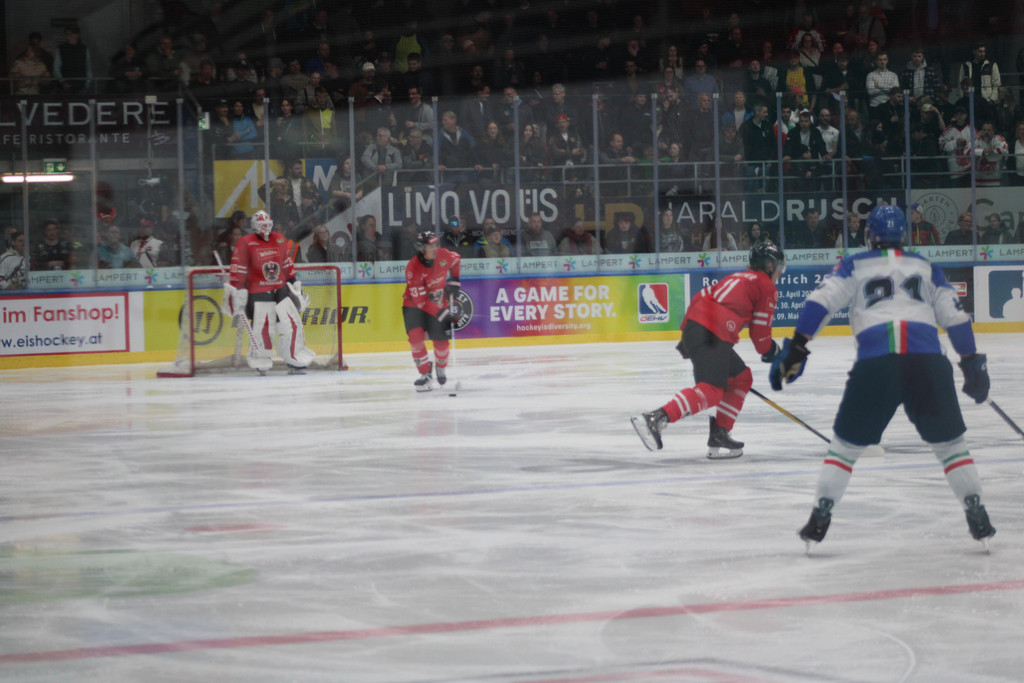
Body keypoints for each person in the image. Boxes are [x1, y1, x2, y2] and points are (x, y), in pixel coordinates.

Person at [769, 205, 995, 550]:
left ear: (869, 235)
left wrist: (798, 347)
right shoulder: (926, 267)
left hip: (876, 364)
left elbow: (819, 303)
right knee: (951, 447)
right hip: (928, 363)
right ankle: (976, 509)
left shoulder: (855, 264)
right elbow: (956, 319)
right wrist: (971, 362)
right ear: (903, 234)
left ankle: (821, 513)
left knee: (845, 449)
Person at [632, 241, 785, 458]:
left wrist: (688, 334)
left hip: (699, 328)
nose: (780, 271)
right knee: (712, 390)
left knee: (741, 378)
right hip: (713, 332)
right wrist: (773, 352)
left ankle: (720, 433)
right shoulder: (766, 286)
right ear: (769, 265)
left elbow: (700, 297)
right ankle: (656, 418)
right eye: (779, 266)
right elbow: (760, 336)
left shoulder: (738, 277)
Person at [223, 210, 315, 372]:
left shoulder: (278, 239)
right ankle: (261, 357)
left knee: (293, 323)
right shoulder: (245, 242)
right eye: (262, 225)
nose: (265, 228)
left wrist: (294, 282)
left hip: (280, 289)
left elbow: (286, 263)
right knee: (264, 327)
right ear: (254, 226)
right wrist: (237, 289)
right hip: (258, 292)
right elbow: (239, 268)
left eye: (267, 224)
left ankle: (294, 355)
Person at [402, 231, 461, 391]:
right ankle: (425, 374)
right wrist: (443, 314)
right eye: (430, 246)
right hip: (414, 306)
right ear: (421, 249)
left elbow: (456, 260)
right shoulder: (412, 268)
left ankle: (440, 367)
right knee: (415, 339)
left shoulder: (443, 255)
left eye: (436, 245)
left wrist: (454, 281)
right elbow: (421, 302)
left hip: (438, 303)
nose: (435, 249)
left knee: (441, 343)